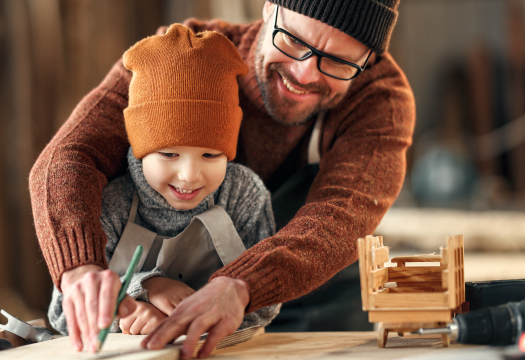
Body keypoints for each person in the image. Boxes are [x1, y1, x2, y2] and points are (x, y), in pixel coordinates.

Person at [31, 0, 414, 358]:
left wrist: (242, 284)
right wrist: (80, 266)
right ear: (269, 8)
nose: (304, 73)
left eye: (339, 63)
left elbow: (342, 214)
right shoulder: (181, 58)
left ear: (369, 60)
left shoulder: (380, 100)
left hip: (320, 304)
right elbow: (69, 156)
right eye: (294, 40)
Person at [46, 23, 280, 341]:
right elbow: (63, 314)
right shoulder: (111, 203)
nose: (190, 175)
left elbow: (268, 304)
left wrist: (216, 310)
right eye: (169, 154)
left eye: (211, 155)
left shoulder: (245, 196)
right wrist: (140, 296)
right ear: (141, 149)